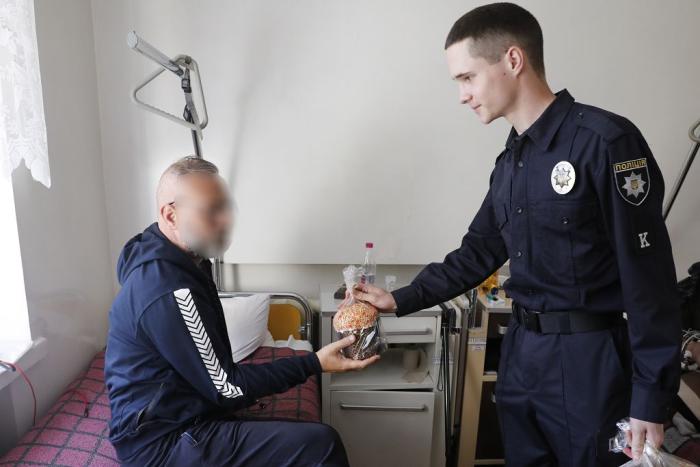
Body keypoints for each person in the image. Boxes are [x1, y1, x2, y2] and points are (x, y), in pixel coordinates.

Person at [353, 3, 681, 465]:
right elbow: (476, 252)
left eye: (467, 77)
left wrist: (651, 397)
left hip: (589, 362)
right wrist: (400, 298)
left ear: (512, 59)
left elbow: (650, 281)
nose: (462, 95)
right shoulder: (510, 163)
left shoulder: (606, 142)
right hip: (522, 354)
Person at [105, 156, 378, 466]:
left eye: (224, 208)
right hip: (160, 444)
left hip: (187, 412)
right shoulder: (168, 290)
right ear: (171, 215)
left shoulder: (183, 261)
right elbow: (228, 387)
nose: (224, 221)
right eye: (211, 211)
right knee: (322, 444)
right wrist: (314, 363)